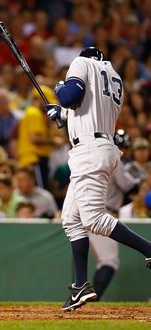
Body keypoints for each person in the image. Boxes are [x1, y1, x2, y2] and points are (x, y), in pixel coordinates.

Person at [45, 46, 151, 311]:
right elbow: (83, 109)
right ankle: (81, 285)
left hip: (89, 151)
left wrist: (58, 89)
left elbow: (71, 95)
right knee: (71, 219)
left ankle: (148, 248)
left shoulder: (82, 62)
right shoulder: (114, 77)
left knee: (92, 218)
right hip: (101, 146)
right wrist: (62, 114)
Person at [88, 130, 140, 301]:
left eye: (125, 147)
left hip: (93, 211)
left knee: (105, 262)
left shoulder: (99, 157)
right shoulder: (114, 160)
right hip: (101, 212)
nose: (123, 150)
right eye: (121, 146)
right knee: (109, 262)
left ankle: (90, 298)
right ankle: (92, 300)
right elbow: (130, 188)